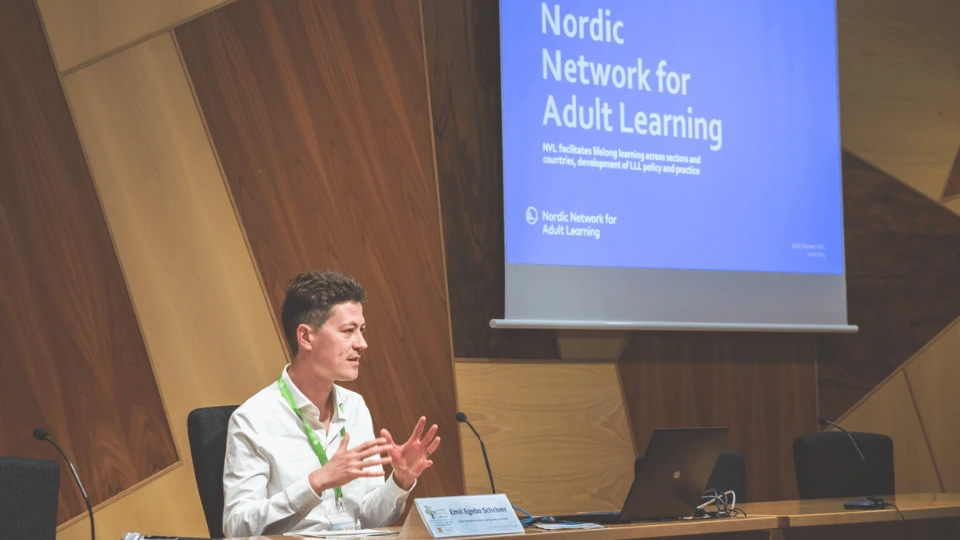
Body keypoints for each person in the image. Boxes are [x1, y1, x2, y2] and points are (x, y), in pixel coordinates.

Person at [222, 270, 441, 537]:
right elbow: (237, 528)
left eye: (361, 330)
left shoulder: (356, 406)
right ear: (306, 337)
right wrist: (317, 482)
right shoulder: (253, 419)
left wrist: (400, 480)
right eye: (348, 331)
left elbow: (370, 519)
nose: (362, 344)